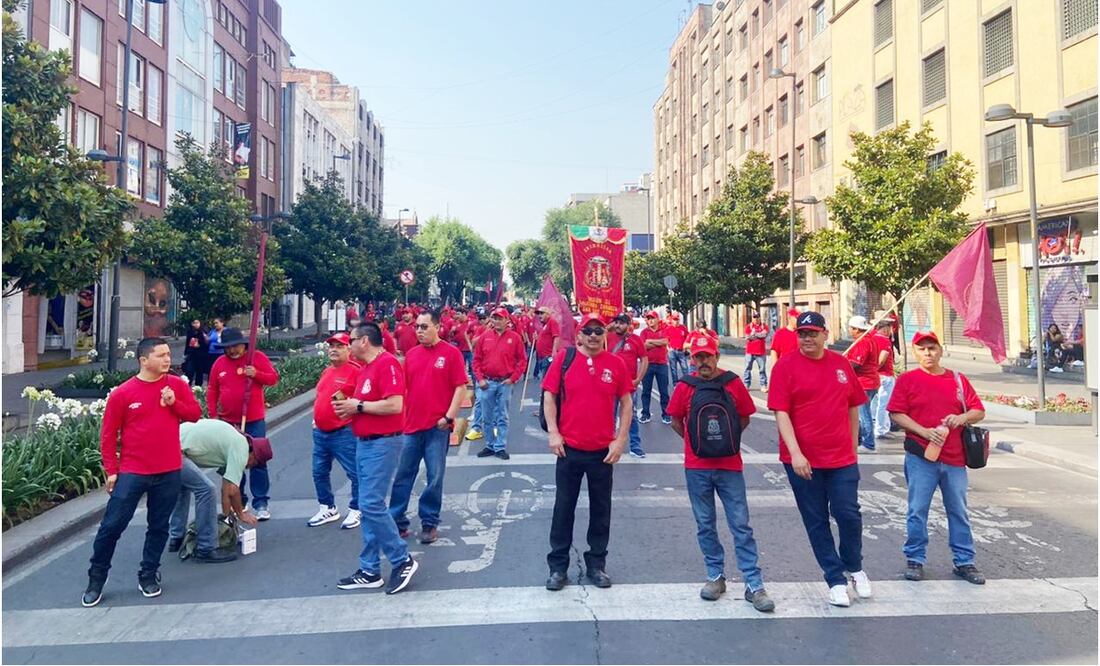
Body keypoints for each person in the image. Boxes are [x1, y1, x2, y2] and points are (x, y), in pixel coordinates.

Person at [82, 337, 203, 607]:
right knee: (111, 526)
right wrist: (112, 471)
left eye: (168, 354)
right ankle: (96, 578)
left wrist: (174, 403)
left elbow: (195, 414)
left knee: (158, 526)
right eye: (160, 355)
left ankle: (148, 574)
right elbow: (108, 436)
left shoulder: (175, 385)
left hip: (169, 469)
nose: (167, 359)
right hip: (133, 471)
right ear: (143, 360)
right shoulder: (123, 393)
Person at [767, 311, 872, 608]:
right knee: (816, 521)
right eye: (802, 333)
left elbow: (854, 407)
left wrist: (852, 449)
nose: (807, 338)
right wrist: (796, 453)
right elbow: (781, 412)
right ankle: (835, 578)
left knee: (848, 513)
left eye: (813, 333)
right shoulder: (785, 367)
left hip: (841, 458)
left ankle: (854, 566)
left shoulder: (840, 365)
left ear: (826, 334)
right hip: (802, 461)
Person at [667, 335, 774, 612]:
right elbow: (675, 420)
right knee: (705, 524)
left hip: (729, 466)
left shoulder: (732, 382)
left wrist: (726, 441)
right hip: (697, 467)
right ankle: (715, 576)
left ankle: (754, 583)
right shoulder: (685, 386)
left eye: (707, 356)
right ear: (692, 359)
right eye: (698, 356)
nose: (703, 361)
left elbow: (745, 417)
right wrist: (696, 443)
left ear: (717, 356)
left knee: (741, 525)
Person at [888, 330, 987, 585]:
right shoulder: (908, 380)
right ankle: (915, 559)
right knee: (917, 510)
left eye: (932, 348)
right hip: (921, 457)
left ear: (940, 350)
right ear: (915, 352)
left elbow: (978, 410)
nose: (928, 353)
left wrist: (962, 417)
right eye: (922, 349)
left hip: (954, 458)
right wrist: (924, 432)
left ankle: (964, 561)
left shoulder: (957, 380)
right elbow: (896, 413)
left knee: (958, 511)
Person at [542, 314, 632, 591]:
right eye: (588, 331)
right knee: (563, 510)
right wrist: (554, 433)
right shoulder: (565, 359)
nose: (593, 335)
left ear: (605, 334)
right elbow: (549, 396)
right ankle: (558, 568)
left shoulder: (616, 364)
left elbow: (627, 403)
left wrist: (620, 441)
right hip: (569, 450)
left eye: (598, 331)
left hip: (602, 452)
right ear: (579, 335)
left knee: (601, 510)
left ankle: (596, 565)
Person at [331, 323, 420, 595]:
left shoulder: (387, 364)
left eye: (352, 340)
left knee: (370, 504)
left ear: (365, 341)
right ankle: (369, 568)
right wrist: (351, 411)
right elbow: (368, 405)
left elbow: (395, 404)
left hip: (383, 443)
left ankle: (401, 558)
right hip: (365, 442)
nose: (348, 345)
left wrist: (357, 406)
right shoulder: (366, 369)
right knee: (369, 505)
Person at [389, 310, 467, 543]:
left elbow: (460, 387)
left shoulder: (451, 354)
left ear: (437, 327)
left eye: (424, 326)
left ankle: (429, 522)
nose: (419, 331)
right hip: (411, 427)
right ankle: (397, 521)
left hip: (438, 428)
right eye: (417, 327)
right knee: (403, 476)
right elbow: (402, 390)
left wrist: (449, 417)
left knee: (434, 477)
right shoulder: (411, 355)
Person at [168, 419, 268, 562]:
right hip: (176, 449)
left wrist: (227, 520)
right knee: (206, 490)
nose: (249, 467)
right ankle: (205, 548)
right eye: (253, 464)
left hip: (171, 441)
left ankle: (176, 538)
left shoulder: (234, 441)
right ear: (253, 455)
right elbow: (233, 490)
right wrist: (240, 513)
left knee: (183, 487)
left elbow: (226, 488)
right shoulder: (241, 448)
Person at [206, 327, 280, 521]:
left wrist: (256, 374)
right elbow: (212, 390)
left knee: (257, 460)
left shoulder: (256, 357)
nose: (232, 351)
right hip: (229, 421)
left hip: (254, 420)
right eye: (228, 347)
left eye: (235, 346)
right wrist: (213, 415)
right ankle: (241, 499)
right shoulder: (219, 364)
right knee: (234, 462)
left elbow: (273, 379)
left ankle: (261, 502)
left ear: (243, 344)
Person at [307, 332, 363, 530]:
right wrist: (316, 419)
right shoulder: (327, 371)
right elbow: (320, 396)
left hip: (343, 432)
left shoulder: (356, 371)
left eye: (339, 346)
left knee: (354, 473)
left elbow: (362, 402)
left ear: (349, 349)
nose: (334, 349)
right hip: (321, 433)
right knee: (319, 472)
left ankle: (357, 508)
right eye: (332, 346)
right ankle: (328, 507)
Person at [471, 308, 527, 459]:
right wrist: (480, 379)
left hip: (505, 383)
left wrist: (513, 379)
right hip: (487, 383)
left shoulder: (515, 338)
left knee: (502, 416)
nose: (496, 321)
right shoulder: (485, 336)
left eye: (499, 318)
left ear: (506, 320)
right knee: (486, 417)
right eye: (494, 318)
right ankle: (489, 445)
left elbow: (522, 360)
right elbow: (476, 360)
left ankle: (500, 446)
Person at [607, 314, 648, 458]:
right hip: (610, 384)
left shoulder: (636, 340)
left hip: (628, 386)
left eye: (621, 323)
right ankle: (608, 444)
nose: (618, 325)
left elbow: (644, 359)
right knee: (609, 415)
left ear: (628, 324)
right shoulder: (607, 337)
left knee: (631, 415)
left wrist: (638, 379)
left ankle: (635, 446)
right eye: (616, 323)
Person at [844, 315, 881, 453]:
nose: (849, 330)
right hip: (869, 382)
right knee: (860, 414)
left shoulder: (863, 342)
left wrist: (841, 365)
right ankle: (860, 439)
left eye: (851, 328)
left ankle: (869, 443)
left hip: (864, 383)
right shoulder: (868, 340)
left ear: (856, 329)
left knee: (863, 415)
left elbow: (856, 364)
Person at [639, 311, 672, 425]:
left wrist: (651, 341)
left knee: (664, 391)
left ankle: (666, 414)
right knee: (646, 391)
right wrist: (657, 343)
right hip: (647, 365)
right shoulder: (644, 332)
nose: (650, 320)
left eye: (652, 318)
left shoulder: (663, 331)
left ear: (657, 319)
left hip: (662, 364)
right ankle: (645, 414)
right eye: (648, 319)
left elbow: (665, 341)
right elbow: (643, 346)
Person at [870, 319, 897, 440]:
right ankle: (881, 430)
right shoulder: (885, 340)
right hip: (885, 375)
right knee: (884, 404)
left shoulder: (870, 338)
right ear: (886, 329)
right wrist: (876, 369)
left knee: (875, 403)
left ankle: (874, 425)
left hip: (874, 376)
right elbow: (882, 358)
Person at [766, 308, 801, 389]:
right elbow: (774, 351)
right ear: (789, 317)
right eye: (796, 318)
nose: (798, 320)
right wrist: (776, 369)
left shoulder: (802, 334)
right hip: (785, 371)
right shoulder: (780, 333)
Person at [743, 312, 770, 391]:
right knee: (747, 368)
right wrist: (757, 335)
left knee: (762, 369)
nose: (756, 319)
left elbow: (764, 335)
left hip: (760, 352)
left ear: (760, 317)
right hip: (750, 351)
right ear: (752, 318)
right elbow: (747, 337)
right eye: (754, 317)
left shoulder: (764, 326)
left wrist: (755, 334)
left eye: (757, 317)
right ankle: (746, 384)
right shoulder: (749, 326)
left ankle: (763, 385)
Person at [533, 306, 561, 380]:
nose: (539, 316)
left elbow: (556, 336)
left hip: (548, 356)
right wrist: (537, 338)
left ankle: (545, 391)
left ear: (548, 314)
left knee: (547, 379)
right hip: (542, 357)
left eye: (542, 313)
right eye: (539, 314)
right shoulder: (544, 325)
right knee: (545, 377)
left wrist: (554, 351)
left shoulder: (552, 322)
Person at [664, 313, 690, 383]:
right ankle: (675, 383)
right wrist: (668, 348)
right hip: (672, 351)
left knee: (685, 368)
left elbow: (688, 338)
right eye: (674, 320)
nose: (676, 321)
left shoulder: (683, 328)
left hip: (681, 350)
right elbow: (666, 339)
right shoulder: (668, 328)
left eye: (677, 320)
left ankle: (687, 382)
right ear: (672, 320)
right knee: (673, 369)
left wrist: (686, 348)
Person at [183, 319, 208, 386]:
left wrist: (200, 344)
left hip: (201, 355)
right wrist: (185, 353)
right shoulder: (190, 332)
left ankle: (198, 389)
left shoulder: (203, 332)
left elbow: (206, 344)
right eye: (194, 323)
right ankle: (188, 386)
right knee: (189, 372)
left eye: (197, 323)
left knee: (199, 372)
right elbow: (187, 343)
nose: (196, 324)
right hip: (191, 355)